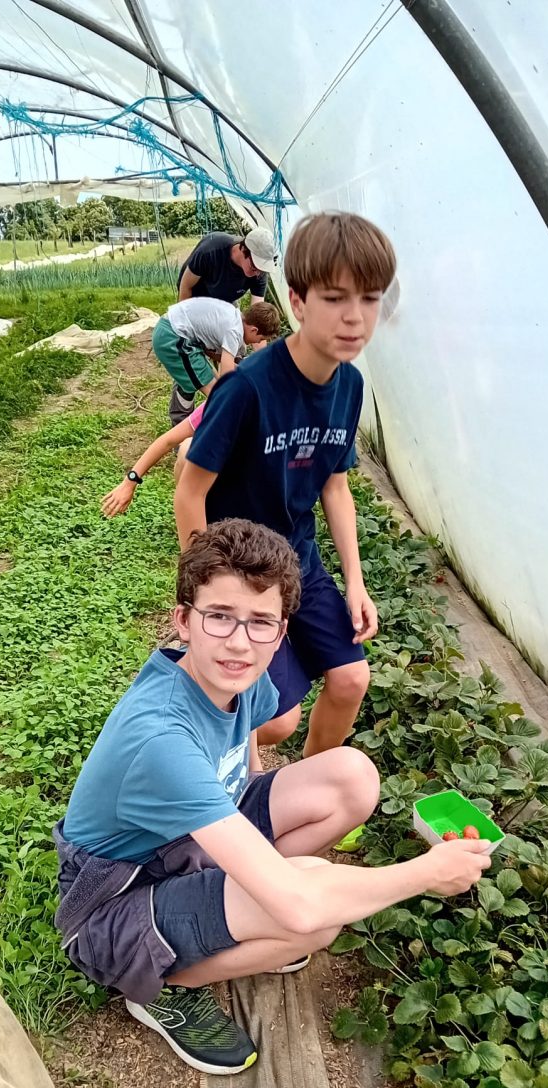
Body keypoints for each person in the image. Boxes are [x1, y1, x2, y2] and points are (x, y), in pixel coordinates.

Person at [53, 519, 491, 1075]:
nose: (239, 641)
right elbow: (303, 905)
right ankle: (159, 987)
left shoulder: (235, 675)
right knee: (309, 921)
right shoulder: (161, 738)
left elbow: (248, 743)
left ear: (280, 632)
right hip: (112, 903)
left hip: (186, 845)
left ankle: (238, 906)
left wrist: (253, 790)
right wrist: (428, 873)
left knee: (351, 777)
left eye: (260, 622)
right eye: (219, 616)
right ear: (183, 621)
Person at [174, 211, 397, 758]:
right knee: (277, 719)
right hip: (241, 567)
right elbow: (189, 491)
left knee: (350, 681)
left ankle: (305, 784)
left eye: (369, 300)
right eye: (335, 298)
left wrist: (357, 581)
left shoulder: (350, 387)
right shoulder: (248, 388)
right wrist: (210, 591)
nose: (354, 317)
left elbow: (335, 487)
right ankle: (218, 741)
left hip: (299, 559)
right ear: (297, 302)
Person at [171, 227, 278, 424]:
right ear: (243, 250)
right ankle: (182, 420)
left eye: (261, 270)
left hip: (226, 306)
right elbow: (186, 286)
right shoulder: (212, 250)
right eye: (254, 268)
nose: (257, 274)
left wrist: (263, 367)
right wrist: (184, 328)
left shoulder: (259, 274)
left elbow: (257, 324)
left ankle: (234, 408)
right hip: (195, 303)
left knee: (237, 352)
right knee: (191, 362)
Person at [152, 298, 280, 427]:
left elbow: (222, 360)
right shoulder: (234, 331)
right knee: (219, 396)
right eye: (261, 339)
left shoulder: (233, 316)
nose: (258, 343)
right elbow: (227, 377)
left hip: (176, 333)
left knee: (208, 381)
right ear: (254, 330)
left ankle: (187, 431)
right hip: (173, 338)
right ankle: (189, 436)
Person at [101, 401, 205, 518]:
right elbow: (168, 441)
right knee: (186, 449)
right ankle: (189, 515)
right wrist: (129, 482)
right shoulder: (219, 403)